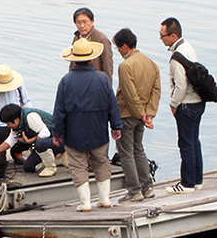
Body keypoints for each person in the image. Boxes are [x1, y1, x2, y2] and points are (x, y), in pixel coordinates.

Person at [52, 38, 123, 211]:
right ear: (91, 58)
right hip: (98, 130)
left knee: (78, 165)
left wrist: (56, 133)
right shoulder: (103, 79)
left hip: (74, 131)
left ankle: (85, 203)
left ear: (73, 59)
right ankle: (105, 199)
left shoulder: (66, 81)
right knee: (101, 162)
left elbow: (59, 111)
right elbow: (111, 105)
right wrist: (116, 126)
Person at [114, 28, 161, 202]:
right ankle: (147, 187)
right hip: (142, 115)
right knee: (139, 150)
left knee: (126, 153)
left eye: (119, 47)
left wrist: (141, 114)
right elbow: (156, 91)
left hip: (127, 115)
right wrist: (149, 114)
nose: (118, 51)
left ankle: (134, 191)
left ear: (125, 46)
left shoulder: (125, 66)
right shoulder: (151, 63)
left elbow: (129, 94)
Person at [161, 17, 205, 194]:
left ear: (173, 35)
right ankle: (197, 180)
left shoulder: (176, 58)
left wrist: (173, 105)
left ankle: (186, 184)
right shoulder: (188, 47)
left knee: (185, 144)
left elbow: (181, 85)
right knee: (194, 141)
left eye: (162, 35)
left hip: (186, 105)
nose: (161, 39)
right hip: (198, 102)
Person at [0, 103, 65, 177]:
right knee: (28, 167)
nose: (8, 126)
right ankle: (57, 158)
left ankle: (51, 167)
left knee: (39, 143)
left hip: (60, 140)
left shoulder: (30, 116)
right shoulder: (17, 125)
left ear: (16, 119)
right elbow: (11, 140)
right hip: (47, 142)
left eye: (8, 124)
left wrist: (29, 141)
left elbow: (45, 133)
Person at [70, 7, 114, 84]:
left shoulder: (102, 39)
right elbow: (72, 64)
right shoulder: (77, 38)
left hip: (95, 84)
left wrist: (106, 88)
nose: (82, 26)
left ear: (92, 22)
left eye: (85, 22)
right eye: (79, 22)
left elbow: (107, 68)